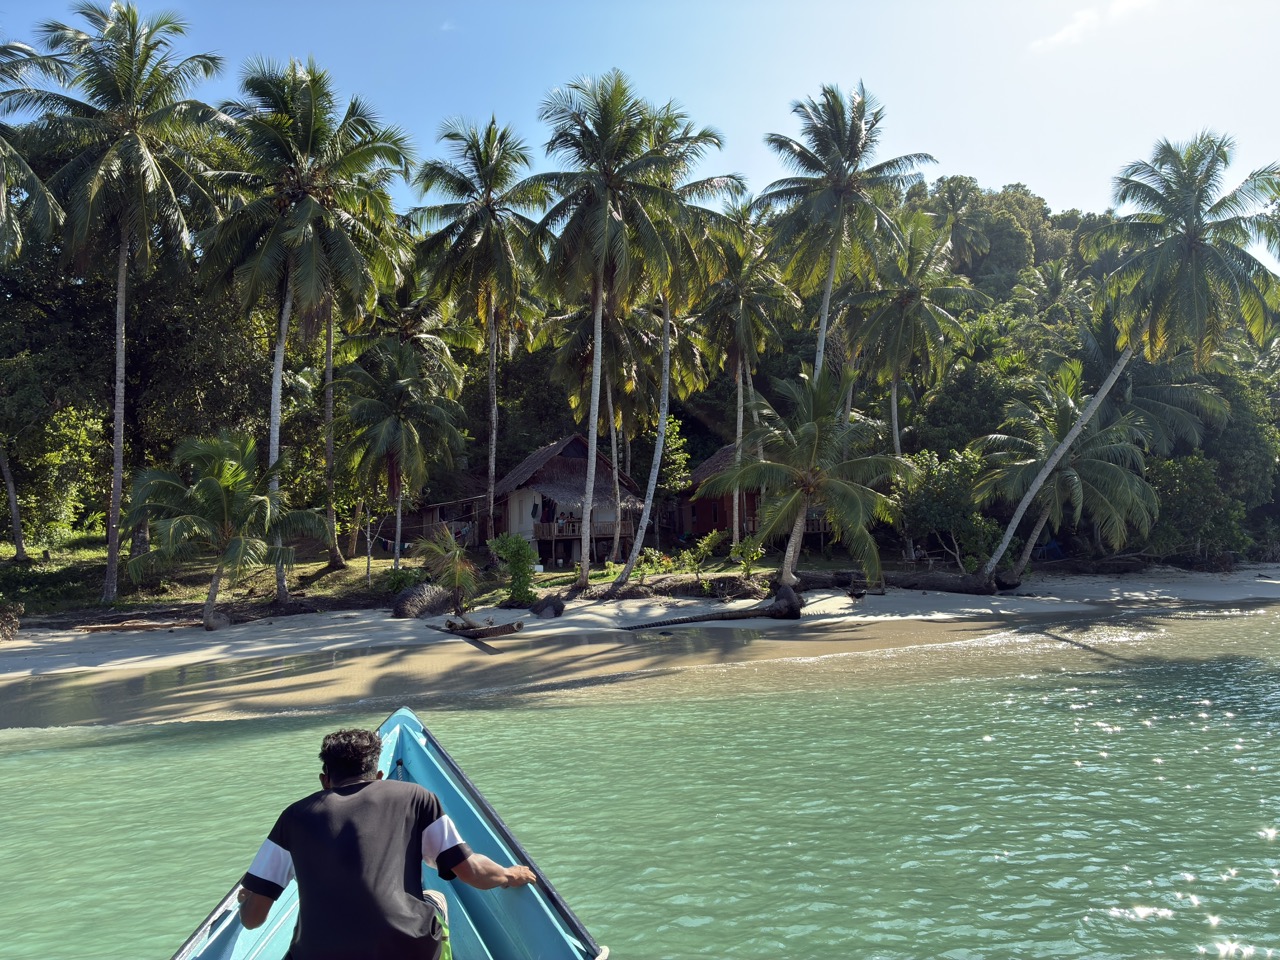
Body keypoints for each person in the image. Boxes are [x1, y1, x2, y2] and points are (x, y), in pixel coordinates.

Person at [237, 728, 536, 960]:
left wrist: (246, 900)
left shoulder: (293, 817)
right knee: (436, 899)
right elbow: (472, 872)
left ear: (324, 780)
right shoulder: (417, 798)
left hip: (319, 954)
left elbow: (252, 920)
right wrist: (509, 875)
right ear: (379, 776)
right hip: (406, 949)